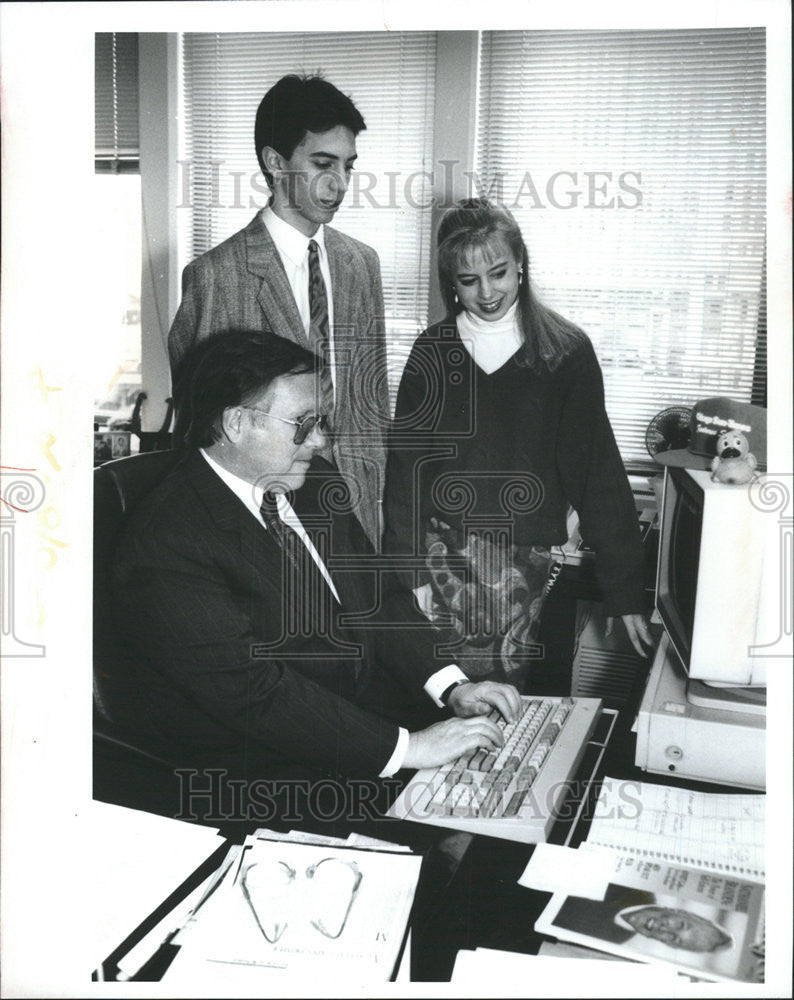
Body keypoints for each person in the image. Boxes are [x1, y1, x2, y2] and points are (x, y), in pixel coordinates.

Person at [108, 330, 521, 832]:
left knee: (517, 802)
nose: (321, 440)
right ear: (236, 423)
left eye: (321, 422)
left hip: (362, 725)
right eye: (304, 424)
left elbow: (381, 600)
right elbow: (255, 692)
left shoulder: (316, 481)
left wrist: (452, 687)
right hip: (269, 771)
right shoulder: (169, 541)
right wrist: (409, 748)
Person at [383, 198, 654, 688]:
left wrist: (624, 589)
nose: (487, 292)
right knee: (428, 691)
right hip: (437, 550)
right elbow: (406, 473)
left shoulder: (565, 352)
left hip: (523, 560)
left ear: (521, 264)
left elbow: (598, 473)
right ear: (451, 283)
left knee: (496, 698)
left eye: (499, 272)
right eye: (468, 281)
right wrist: (408, 575)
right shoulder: (432, 350)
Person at [168, 74, 390, 548]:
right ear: (275, 162)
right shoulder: (216, 275)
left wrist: (376, 510)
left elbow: (370, 405)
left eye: (349, 166)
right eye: (322, 163)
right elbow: (205, 429)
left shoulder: (361, 264)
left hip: (355, 513)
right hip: (264, 520)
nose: (340, 183)